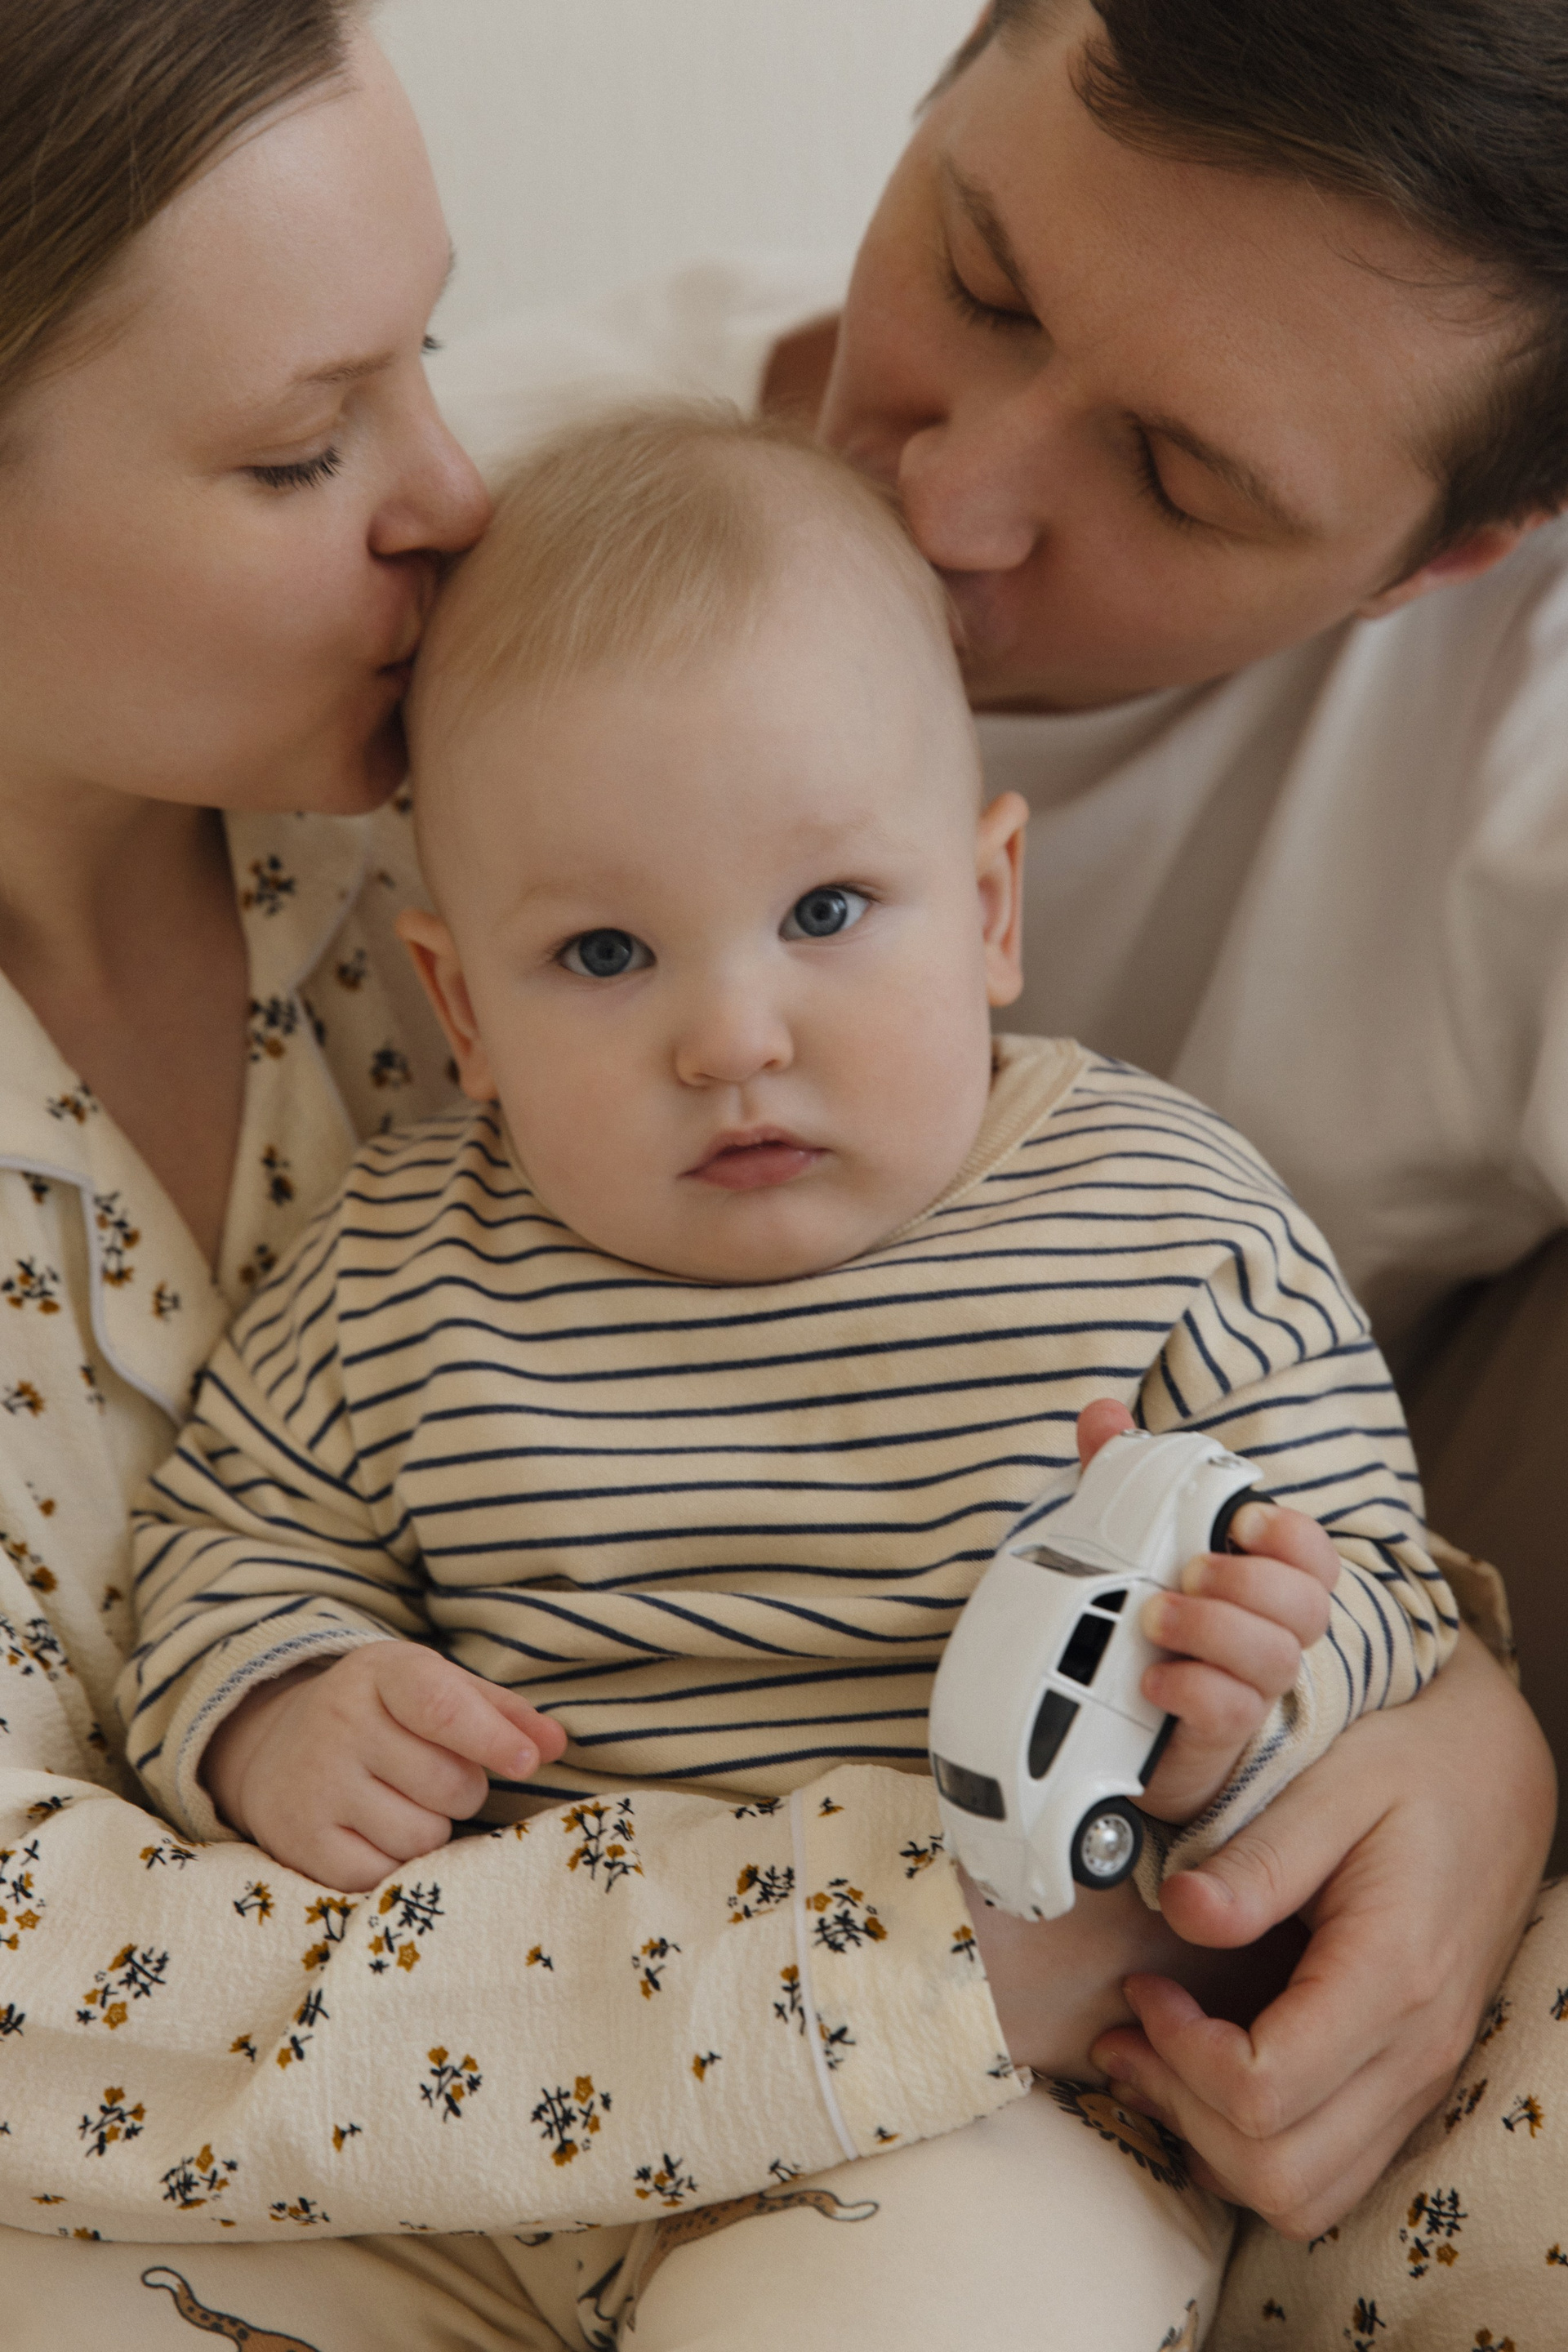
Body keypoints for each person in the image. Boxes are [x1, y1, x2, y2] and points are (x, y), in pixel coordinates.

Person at [2, 7, 1220, 2348]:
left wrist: (1423, 1706)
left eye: (432, 358)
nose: (455, 492)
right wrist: (905, 1959)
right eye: (303, 447)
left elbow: (1142, 1341)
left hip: (952, 2123)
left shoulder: (502, 815)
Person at [423, 0, 1568, 2325]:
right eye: (980, 272)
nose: (947, 497)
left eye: (1186, 482)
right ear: (950, 73)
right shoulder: (446, 552)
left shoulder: (1516, 768)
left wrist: (1474, 1731)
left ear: (1439, 562)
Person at [120, 403, 1461, 2341]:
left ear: (989, 909)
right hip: (502, 2101)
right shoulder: (397, 1270)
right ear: (461, 1006)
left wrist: (1252, 1694)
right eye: (604, 955)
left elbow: (1384, 1594)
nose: (732, 1035)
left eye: (827, 914)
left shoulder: (1163, 1220)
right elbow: (225, 1547)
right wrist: (281, 1706)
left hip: (991, 2109)